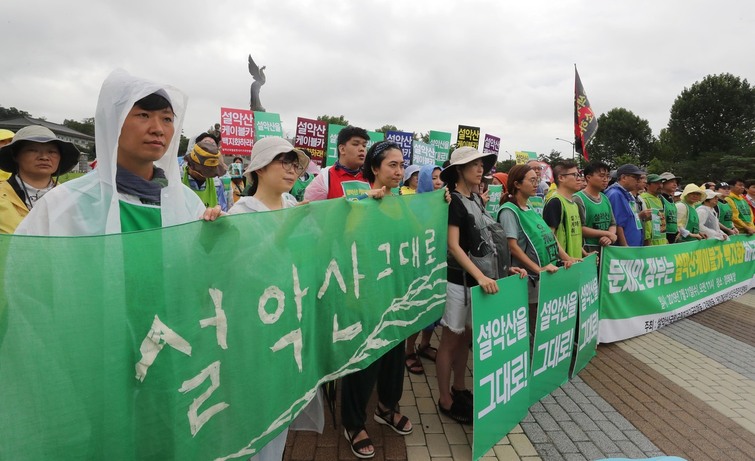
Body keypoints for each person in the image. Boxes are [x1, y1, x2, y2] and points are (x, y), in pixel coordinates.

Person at [16, 69, 221, 236]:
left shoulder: (186, 202)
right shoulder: (65, 205)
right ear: (114, 122)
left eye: (167, 119)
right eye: (143, 115)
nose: (158, 128)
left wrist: (217, 234)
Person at [226, 136, 323, 460]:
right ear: (260, 167)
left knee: (281, 400)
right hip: (255, 326)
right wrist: (286, 230)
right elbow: (243, 270)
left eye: (294, 163)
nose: (292, 169)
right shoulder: (241, 212)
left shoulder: (294, 207)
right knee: (254, 406)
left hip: (289, 320)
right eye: (284, 161)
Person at [435, 147, 526, 427]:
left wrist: (501, 270)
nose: (479, 169)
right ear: (459, 170)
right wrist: (481, 275)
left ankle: (460, 387)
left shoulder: (475, 198)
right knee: (451, 339)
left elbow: (483, 240)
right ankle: (444, 398)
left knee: (465, 338)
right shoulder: (453, 202)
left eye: (480, 164)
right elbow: (452, 245)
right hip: (457, 282)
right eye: (472, 164)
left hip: (476, 282)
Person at [340, 141, 413, 459]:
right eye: (391, 165)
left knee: (393, 358)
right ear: (374, 168)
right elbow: (339, 237)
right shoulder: (354, 199)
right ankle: (354, 423)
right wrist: (362, 202)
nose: (399, 171)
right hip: (365, 297)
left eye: (401, 165)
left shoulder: (403, 203)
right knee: (364, 360)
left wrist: (442, 204)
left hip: (396, 295)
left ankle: (387, 407)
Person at [498, 164, 578, 345]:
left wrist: (567, 258)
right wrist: (539, 269)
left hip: (539, 277)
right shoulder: (509, 211)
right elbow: (512, 247)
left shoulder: (530, 209)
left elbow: (549, 237)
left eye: (537, 180)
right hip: (526, 279)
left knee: (538, 321)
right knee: (530, 324)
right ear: (517, 184)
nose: (536, 184)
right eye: (532, 180)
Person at [0, 126, 79, 234]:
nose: (44, 157)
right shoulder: (2, 196)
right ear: (15, 155)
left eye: (52, 152)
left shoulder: (73, 198)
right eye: (32, 150)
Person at [403, 164, 444, 375]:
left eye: (441, 178)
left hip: (438, 266)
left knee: (435, 311)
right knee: (419, 310)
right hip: (420, 267)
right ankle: (409, 350)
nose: (438, 182)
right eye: (434, 178)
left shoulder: (445, 203)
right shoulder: (413, 204)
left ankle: (425, 345)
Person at [304, 126, 370, 201]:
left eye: (364, 145)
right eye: (355, 144)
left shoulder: (370, 177)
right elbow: (310, 210)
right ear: (342, 149)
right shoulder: (325, 177)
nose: (362, 149)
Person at [542, 160, 584, 258]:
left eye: (579, 174)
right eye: (575, 175)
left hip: (575, 263)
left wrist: (584, 254)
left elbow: (574, 235)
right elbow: (550, 237)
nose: (579, 179)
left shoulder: (574, 203)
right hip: (563, 266)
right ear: (561, 178)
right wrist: (567, 258)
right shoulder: (555, 202)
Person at [573, 161, 617, 254]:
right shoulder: (578, 199)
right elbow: (579, 228)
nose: (605, 180)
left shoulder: (605, 197)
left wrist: (609, 237)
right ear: (588, 177)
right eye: (601, 176)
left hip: (606, 250)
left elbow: (612, 224)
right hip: (587, 250)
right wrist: (606, 234)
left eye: (607, 176)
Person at [605, 164, 649, 246]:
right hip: (625, 252)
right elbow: (618, 224)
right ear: (624, 178)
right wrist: (625, 246)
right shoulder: (615, 194)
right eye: (635, 178)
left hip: (633, 247)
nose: (638, 181)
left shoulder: (626, 194)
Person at [182, 134, 229, 211]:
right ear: (191, 165)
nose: (207, 176)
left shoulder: (217, 184)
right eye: (203, 171)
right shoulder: (177, 178)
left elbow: (223, 210)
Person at [638, 174, 667, 246]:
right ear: (647, 185)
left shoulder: (659, 199)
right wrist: (647, 240)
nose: (660, 186)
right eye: (656, 183)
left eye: (661, 183)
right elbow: (646, 223)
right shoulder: (643, 199)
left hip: (662, 241)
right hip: (651, 243)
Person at [659, 172, 682, 242]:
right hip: (664, 237)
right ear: (663, 183)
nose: (675, 184)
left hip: (674, 236)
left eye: (676, 182)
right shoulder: (660, 199)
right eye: (671, 182)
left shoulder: (671, 200)